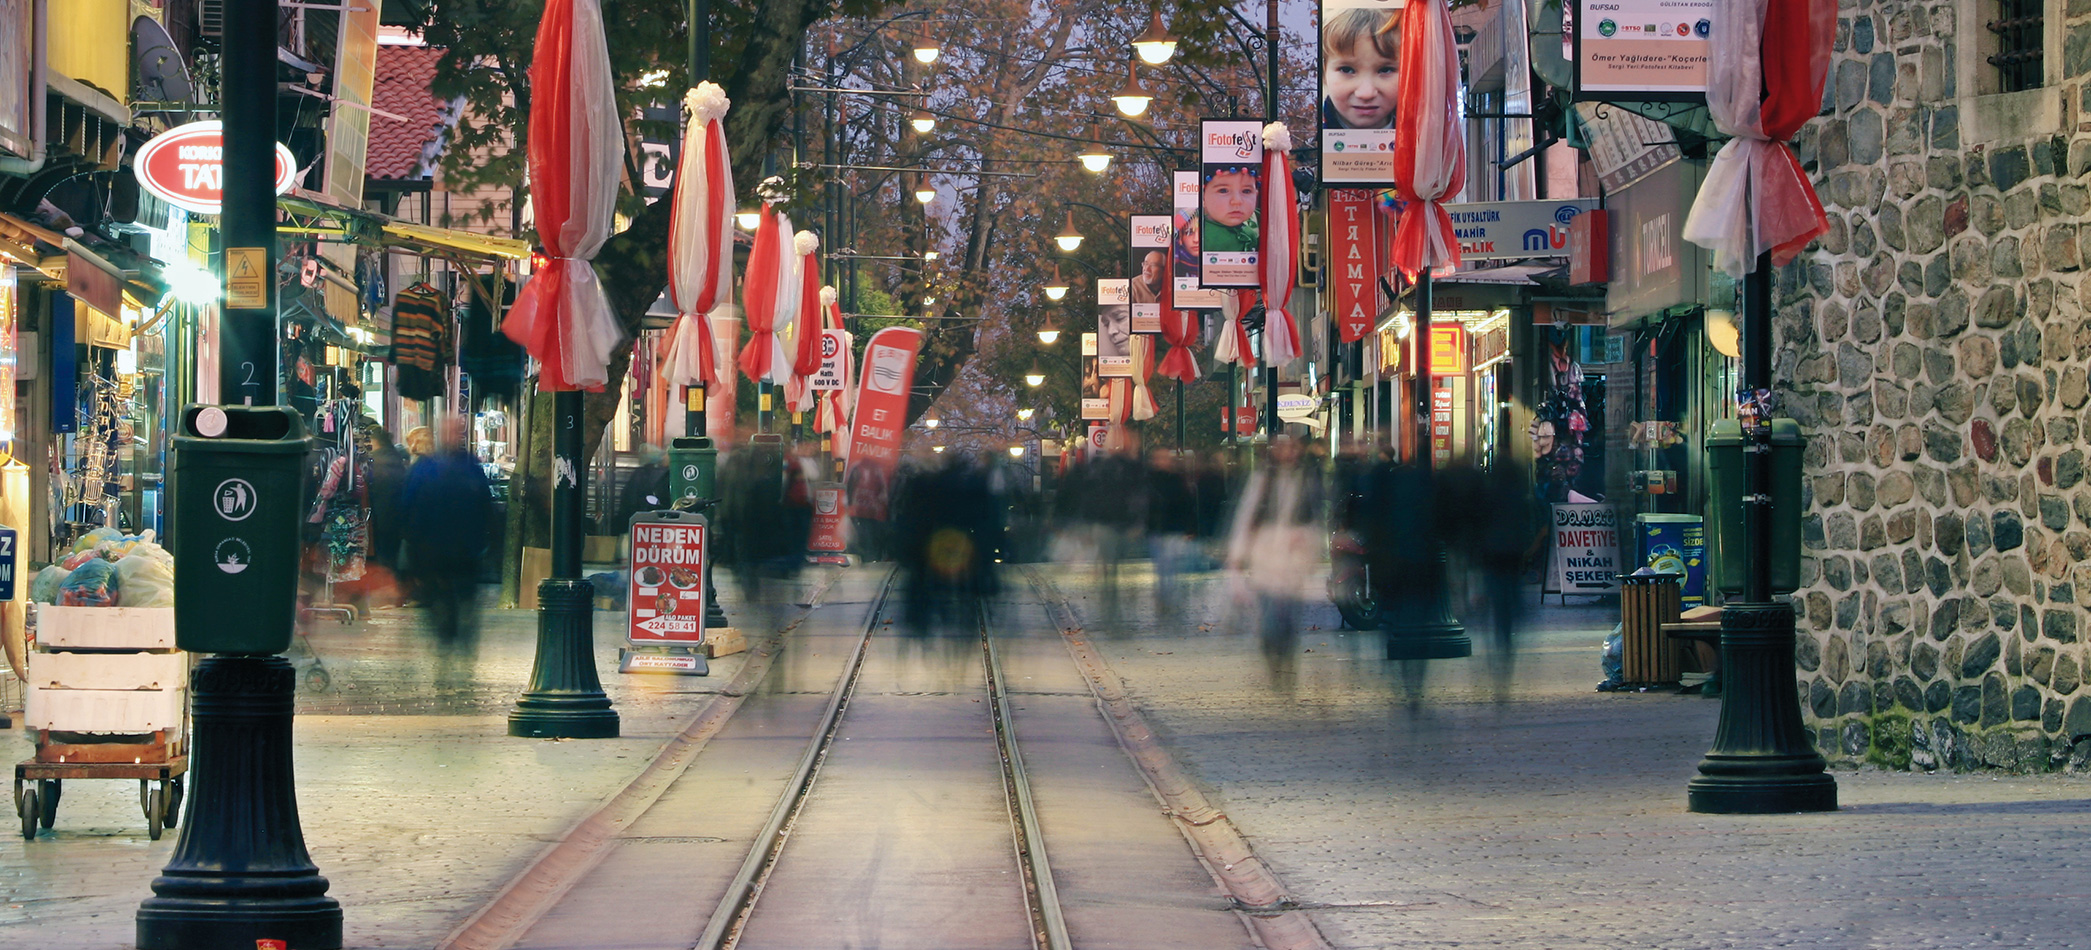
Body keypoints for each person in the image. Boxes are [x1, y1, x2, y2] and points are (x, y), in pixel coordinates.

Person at [399, 417, 492, 693]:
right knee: (454, 601)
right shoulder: (467, 468)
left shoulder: (430, 469)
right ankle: (453, 645)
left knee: (451, 602)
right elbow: (485, 507)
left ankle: (451, 645)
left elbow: (407, 507)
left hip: (447, 552)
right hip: (448, 552)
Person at [1321, 6, 1401, 130]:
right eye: (1347, 70)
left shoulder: (1425, 133)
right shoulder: (1309, 137)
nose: (1366, 93)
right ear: (1324, 72)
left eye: (1385, 70)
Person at [1199, 166, 1260, 253]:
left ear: (1256, 194)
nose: (1237, 201)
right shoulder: (1198, 235)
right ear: (1203, 196)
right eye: (1223, 190)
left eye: (1246, 191)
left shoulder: (1259, 225)